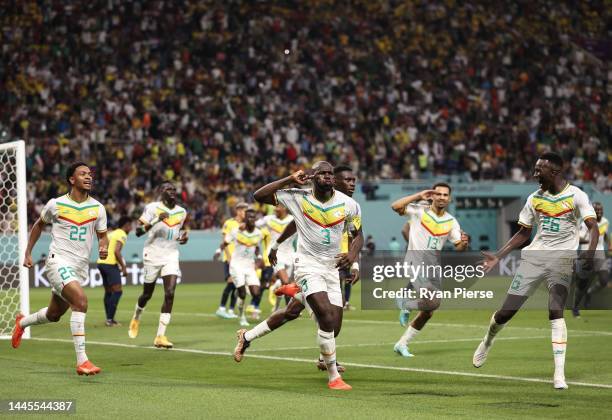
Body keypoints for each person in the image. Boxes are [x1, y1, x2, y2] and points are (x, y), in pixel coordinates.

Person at [473, 152, 598, 390]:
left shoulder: (576, 196)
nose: (535, 174)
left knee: (555, 310)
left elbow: (593, 228)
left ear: (555, 172)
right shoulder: (533, 199)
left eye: (539, 170)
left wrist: (590, 255)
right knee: (505, 314)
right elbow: (523, 233)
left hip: (561, 261)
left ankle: (559, 374)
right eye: (535, 169)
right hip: (534, 260)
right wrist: (498, 255)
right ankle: (488, 340)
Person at [236, 162, 363, 390]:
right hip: (307, 265)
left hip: (332, 268)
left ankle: (247, 337)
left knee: (328, 324)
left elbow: (358, 236)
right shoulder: (298, 197)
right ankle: (333, 376)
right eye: (322, 173)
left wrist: (353, 258)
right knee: (324, 316)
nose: (328, 177)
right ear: (313, 177)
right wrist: (288, 179)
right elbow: (259, 195)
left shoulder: (350, 205)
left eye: (330, 174)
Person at [13, 162, 108, 376]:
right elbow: (39, 225)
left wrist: (103, 247)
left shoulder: (98, 208)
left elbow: (103, 236)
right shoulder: (56, 204)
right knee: (81, 301)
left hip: (79, 268)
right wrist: (28, 252)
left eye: (90, 174)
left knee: (54, 314)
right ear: (71, 179)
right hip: (58, 262)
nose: (88, 177)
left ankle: (22, 322)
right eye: (83, 174)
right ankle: (82, 361)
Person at [390, 183, 468, 357]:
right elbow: (395, 206)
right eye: (438, 194)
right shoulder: (420, 210)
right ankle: (405, 303)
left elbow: (458, 247)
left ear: (450, 198)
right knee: (433, 301)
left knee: (429, 311)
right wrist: (419, 194)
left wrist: (464, 242)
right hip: (414, 262)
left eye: (445, 195)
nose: (441, 197)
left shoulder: (451, 221)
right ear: (432, 196)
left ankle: (402, 343)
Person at [128, 181, 189, 348]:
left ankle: (160, 336)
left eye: (174, 189)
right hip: (152, 255)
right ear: (160, 192)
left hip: (171, 254)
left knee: (170, 293)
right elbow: (138, 232)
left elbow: (175, 234)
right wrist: (155, 220)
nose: (172, 191)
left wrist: (182, 238)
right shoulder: (152, 208)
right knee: (147, 294)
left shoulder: (181, 212)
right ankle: (137, 316)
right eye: (167, 189)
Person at [221, 207, 265, 327]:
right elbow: (225, 242)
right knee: (243, 294)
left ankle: (239, 293)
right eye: (249, 217)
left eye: (253, 217)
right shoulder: (236, 231)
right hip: (236, 265)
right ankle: (242, 316)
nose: (251, 219)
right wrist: (218, 251)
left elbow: (256, 247)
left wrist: (260, 257)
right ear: (245, 219)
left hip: (249, 266)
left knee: (256, 292)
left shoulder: (258, 233)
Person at [572, 202, 609, 317]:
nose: (599, 212)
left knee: (604, 280)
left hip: (600, 254)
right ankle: (575, 307)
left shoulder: (605, 221)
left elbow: (605, 235)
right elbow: (578, 238)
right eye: (596, 210)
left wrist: (609, 242)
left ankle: (589, 293)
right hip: (586, 253)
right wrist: (592, 241)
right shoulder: (584, 222)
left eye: (600, 210)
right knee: (582, 284)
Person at [255, 205, 295, 311]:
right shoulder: (269, 219)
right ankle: (289, 308)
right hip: (275, 254)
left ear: (285, 208)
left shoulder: (293, 219)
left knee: (285, 284)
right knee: (286, 281)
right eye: (275, 207)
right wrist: (244, 226)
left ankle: (277, 307)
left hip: (290, 254)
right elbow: (254, 224)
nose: (275, 209)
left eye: (278, 207)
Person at [97, 216, 132, 326]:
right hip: (110, 264)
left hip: (101, 262)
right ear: (126, 225)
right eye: (130, 225)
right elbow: (117, 251)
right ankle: (110, 320)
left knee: (108, 292)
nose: (131, 228)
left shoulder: (111, 233)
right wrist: (123, 267)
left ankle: (108, 318)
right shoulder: (122, 234)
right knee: (118, 291)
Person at [215, 202, 248, 319]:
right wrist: (228, 257)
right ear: (238, 211)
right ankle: (221, 308)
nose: (245, 212)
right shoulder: (229, 223)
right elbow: (225, 241)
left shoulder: (246, 224)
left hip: (241, 259)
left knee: (237, 285)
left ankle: (230, 310)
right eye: (243, 210)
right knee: (230, 283)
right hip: (231, 259)